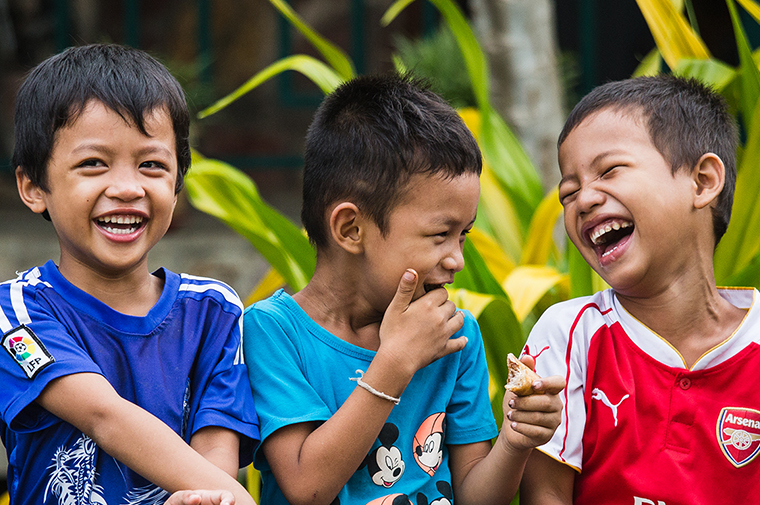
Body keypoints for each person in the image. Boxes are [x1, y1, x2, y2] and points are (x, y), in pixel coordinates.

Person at [519, 75, 760, 505]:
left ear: (703, 181)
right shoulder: (570, 336)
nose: (583, 200)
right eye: (569, 192)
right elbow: (545, 494)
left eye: (609, 171)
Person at [243, 74, 566, 505]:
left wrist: (514, 441)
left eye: (464, 234)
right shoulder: (273, 332)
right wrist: (396, 360)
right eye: (440, 235)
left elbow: (475, 496)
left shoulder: (453, 336)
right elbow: (308, 487)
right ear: (351, 229)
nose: (457, 259)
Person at [0, 44, 259, 505]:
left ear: (178, 182)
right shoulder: (15, 310)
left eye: (151, 164)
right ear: (32, 187)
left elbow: (215, 448)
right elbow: (103, 415)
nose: (127, 188)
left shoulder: (213, 310)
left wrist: (210, 498)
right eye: (93, 164)